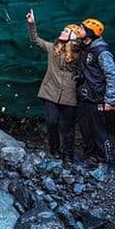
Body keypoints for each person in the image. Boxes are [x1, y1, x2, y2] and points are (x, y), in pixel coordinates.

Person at [25, 9, 82, 162]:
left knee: (68, 127)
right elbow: (35, 40)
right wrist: (31, 23)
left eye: (66, 31)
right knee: (52, 122)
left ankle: (68, 155)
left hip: (69, 96)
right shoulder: (52, 49)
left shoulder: (79, 55)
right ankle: (54, 149)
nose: (62, 32)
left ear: (73, 37)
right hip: (50, 92)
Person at [75, 18, 115, 166]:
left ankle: (104, 158)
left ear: (89, 33)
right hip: (84, 95)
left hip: (97, 96)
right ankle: (90, 155)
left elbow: (112, 75)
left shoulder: (101, 51)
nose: (78, 30)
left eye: (81, 28)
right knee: (85, 127)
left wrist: (110, 100)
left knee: (98, 130)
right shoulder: (84, 47)